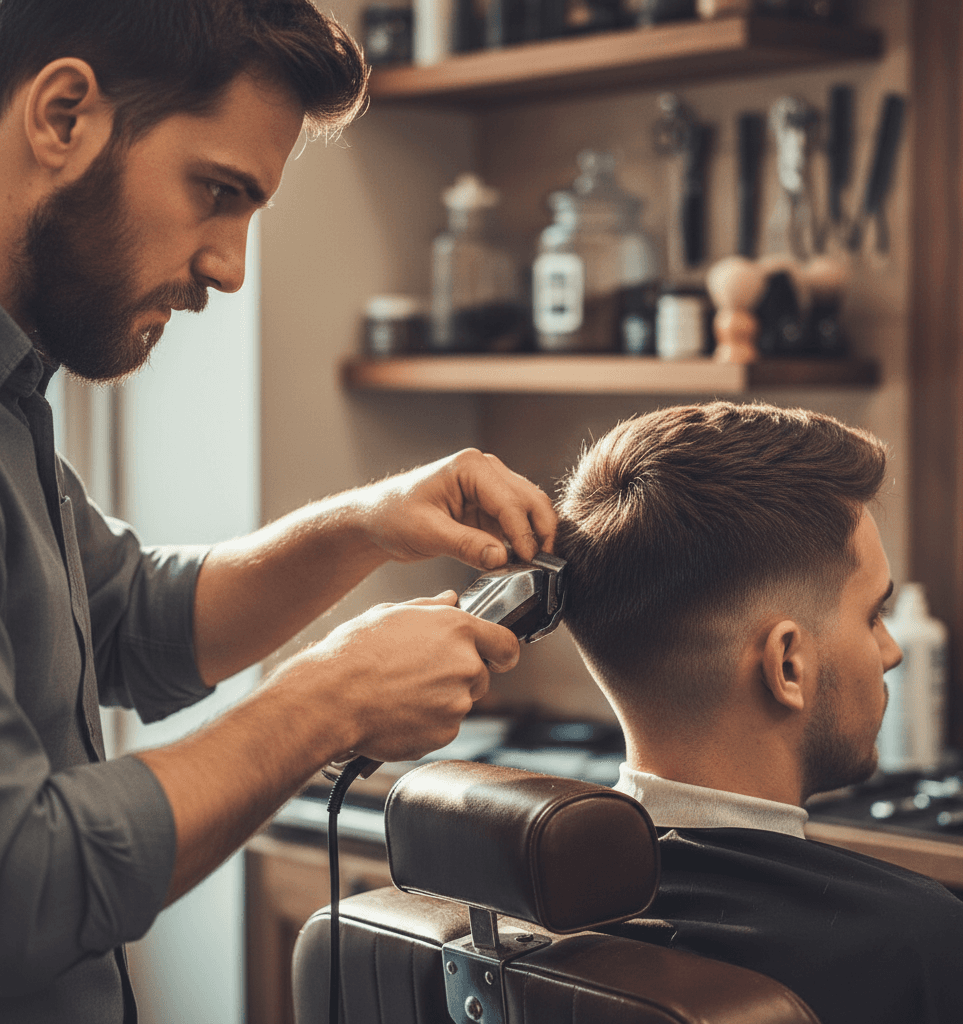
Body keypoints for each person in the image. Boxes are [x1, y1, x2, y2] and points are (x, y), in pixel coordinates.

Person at [0, 2, 558, 1021]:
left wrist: (366, 523)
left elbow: (129, 618)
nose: (229, 268)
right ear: (62, 115)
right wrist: (327, 702)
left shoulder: (12, 394)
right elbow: (20, 880)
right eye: (215, 192)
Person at [555, 401, 963, 1024]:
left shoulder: (530, 912)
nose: (892, 651)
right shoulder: (924, 953)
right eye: (873, 616)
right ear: (788, 667)